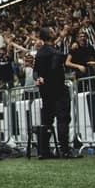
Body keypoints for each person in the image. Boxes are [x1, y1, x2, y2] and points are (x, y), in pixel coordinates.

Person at [33, 27, 73, 158]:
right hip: (58, 89)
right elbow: (54, 69)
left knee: (47, 121)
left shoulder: (40, 53)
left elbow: (35, 71)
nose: (55, 32)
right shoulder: (55, 52)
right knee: (62, 119)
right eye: (52, 31)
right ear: (50, 35)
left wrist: (39, 79)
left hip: (45, 92)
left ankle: (43, 151)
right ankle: (65, 150)